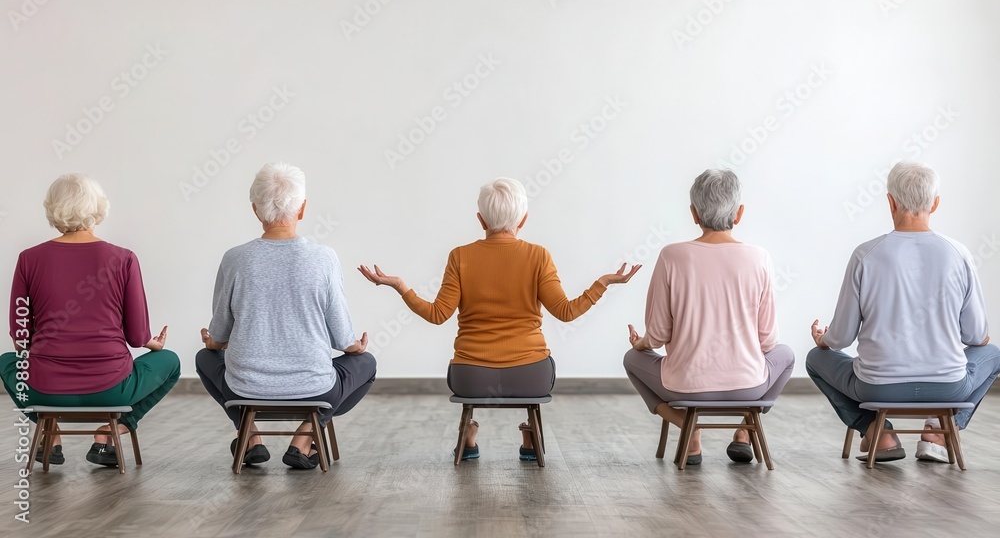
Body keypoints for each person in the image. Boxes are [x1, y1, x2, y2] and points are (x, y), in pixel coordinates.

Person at [359, 177, 639, 462]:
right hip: (532, 379)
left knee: (461, 375)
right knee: (547, 364)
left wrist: (400, 286)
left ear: (481, 220)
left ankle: (467, 436)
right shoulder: (538, 256)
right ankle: (531, 437)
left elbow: (437, 315)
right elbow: (566, 312)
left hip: (470, 379)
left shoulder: (460, 256)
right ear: (524, 219)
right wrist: (602, 283)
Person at [807, 161, 1000, 463]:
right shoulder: (958, 254)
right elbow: (975, 336)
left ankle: (877, 432)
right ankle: (938, 432)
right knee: (993, 354)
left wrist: (824, 340)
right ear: (935, 204)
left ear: (890, 202)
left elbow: (841, 337)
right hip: (948, 388)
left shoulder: (865, 255)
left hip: (877, 388)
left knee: (815, 359)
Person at [196, 162, 376, 470]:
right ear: (302, 209)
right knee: (366, 363)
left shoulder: (235, 259)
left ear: (255, 210)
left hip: (245, 388)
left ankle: (250, 436)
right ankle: (305, 437)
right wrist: (354, 348)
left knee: (204, 358)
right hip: (314, 388)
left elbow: (220, 334)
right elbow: (342, 338)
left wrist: (214, 343)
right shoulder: (324, 258)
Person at [1, 174, 178, 467]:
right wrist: (151, 344)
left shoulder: (28, 259)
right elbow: (136, 337)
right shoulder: (124, 258)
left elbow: (20, 338)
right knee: (170, 361)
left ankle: (49, 431)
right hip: (112, 389)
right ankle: (112, 430)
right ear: (98, 208)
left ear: (53, 210)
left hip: (45, 388)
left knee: (6, 361)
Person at [623, 169, 795, 465]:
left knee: (630, 359)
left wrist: (641, 344)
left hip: (684, 385)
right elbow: (768, 340)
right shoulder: (759, 257)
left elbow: (659, 334)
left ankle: (688, 428)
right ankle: (745, 428)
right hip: (748, 386)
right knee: (787, 355)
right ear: (739, 214)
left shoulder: (671, 256)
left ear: (693, 213)